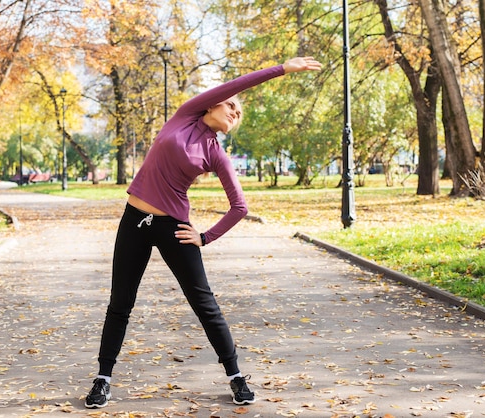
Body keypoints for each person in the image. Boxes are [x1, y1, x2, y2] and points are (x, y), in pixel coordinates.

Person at [85, 56, 322, 409]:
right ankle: (102, 380)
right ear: (213, 103)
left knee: (205, 305)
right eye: (231, 106)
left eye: (239, 114)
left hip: (175, 229)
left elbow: (240, 207)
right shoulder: (185, 114)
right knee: (120, 303)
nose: (235, 112)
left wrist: (205, 236)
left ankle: (236, 377)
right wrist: (283, 70)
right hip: (134, 221)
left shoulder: (216, 153)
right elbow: (237, 84)